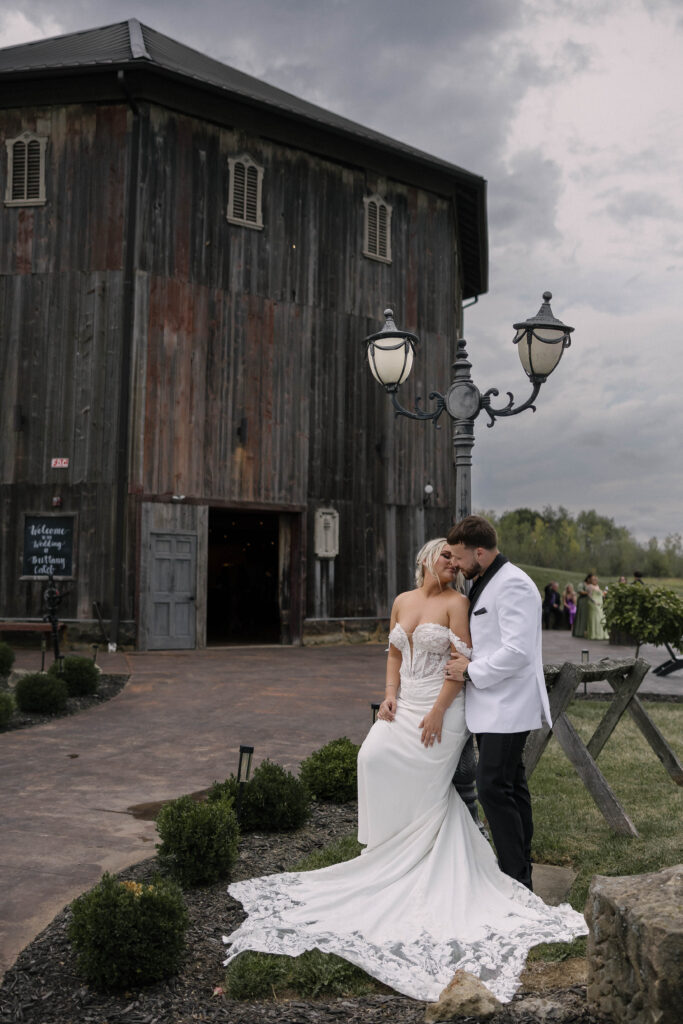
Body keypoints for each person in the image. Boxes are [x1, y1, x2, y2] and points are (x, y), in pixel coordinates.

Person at [223, 537, 586, 1004]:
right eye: (446, 559)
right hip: (405, 701)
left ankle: (422, 860)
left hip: (442, 708)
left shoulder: (458, 603)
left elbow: (460, 666)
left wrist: (437, 712)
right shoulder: (402, 601)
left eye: (457, 560)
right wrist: (389, 693)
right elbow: (393, 653)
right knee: (370, 758)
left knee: (443, 786)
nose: (452, 566)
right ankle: (384, 852)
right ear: (427, 559)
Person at [444, 516, 551, 892]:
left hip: (508, 705)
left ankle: (515, 878)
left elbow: (518, 652)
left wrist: (471, 671)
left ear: (479, 551)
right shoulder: (481, 581)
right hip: (492, 706)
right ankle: (521, 869)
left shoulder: (515, 584)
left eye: (458, 557)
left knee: (492, 788)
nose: (454, 564)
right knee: (510, 784)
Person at [584, 573, 609, 640]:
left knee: (601, 618)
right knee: (595, 619)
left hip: (600, 604)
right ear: (591, 580)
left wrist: (605, 592)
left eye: (596, 579)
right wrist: (594, 602)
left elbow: (602, 594)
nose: (595, 580)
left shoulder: (597, 586)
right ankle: (594, 634)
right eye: (593, 579)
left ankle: (602, 634)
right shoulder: (590, 586)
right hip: (593, 604)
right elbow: (589, 596)